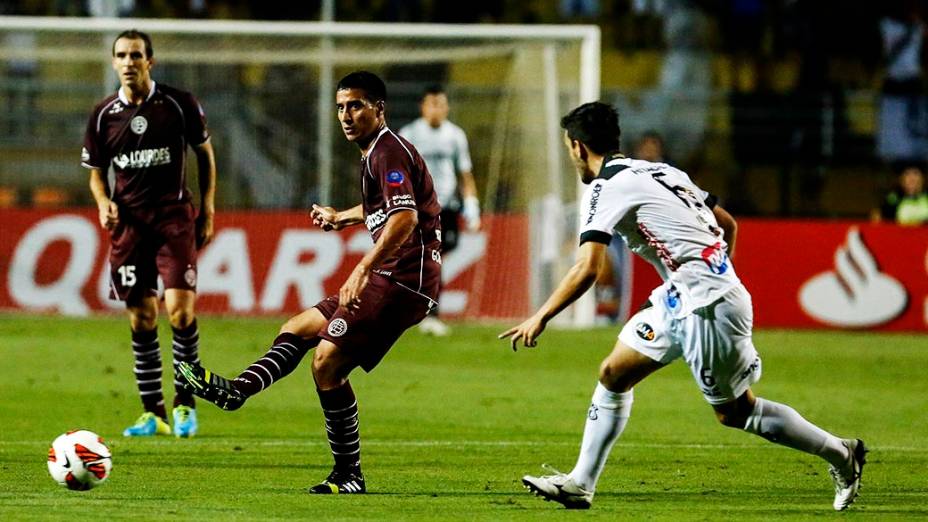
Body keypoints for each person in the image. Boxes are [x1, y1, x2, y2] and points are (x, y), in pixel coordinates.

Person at [499, 102, 866, 511]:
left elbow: (588, 268)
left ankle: (842, 454)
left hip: (707, 305)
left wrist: (541, 315)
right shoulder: (663, 170)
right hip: (685, 295)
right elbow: (727, 224)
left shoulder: (605, 187)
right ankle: (580, 484)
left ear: (578, 147)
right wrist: (707, 275)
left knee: (735, 412)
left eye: (571, 149)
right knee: (614, 373)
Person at [177, 71, 441, 494]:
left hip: (404, 282)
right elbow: (391, 206)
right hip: (391, 276)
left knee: (326, 364)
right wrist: (343, 216)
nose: (346, 115)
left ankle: (348, 474)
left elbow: (406, 218)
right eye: (340, 107)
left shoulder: (387, 151)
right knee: (298, 326)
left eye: (355, 105)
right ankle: (236, 391)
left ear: (379, 108)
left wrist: (363, 268)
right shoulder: (376, 152)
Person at [82, 29, 217, 438]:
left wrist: (208, 207)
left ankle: (185, 404)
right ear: (113, 63)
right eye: (121, 55)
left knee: (181, 312)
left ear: (150, 61)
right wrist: (104, 203)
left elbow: (204, 154)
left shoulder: (178, 104)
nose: (128, 62)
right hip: (130, 227)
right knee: (142, 318)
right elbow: (95, 176)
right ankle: (152, 412)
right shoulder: (104, 115)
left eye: (135, 55)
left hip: (174, 219)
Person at [399, 85, 480, 336]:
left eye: (441, 105)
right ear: (423, 107)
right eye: (432, 104)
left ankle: (423, 310)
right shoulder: (409, 133)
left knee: (434, 258)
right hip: (419, 208)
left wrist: (472, 205)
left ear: (447, 108)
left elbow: (465, 174)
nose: (437, 110)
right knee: (430, 259)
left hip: (447, 207)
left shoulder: (455, 136)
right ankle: (428, 313)